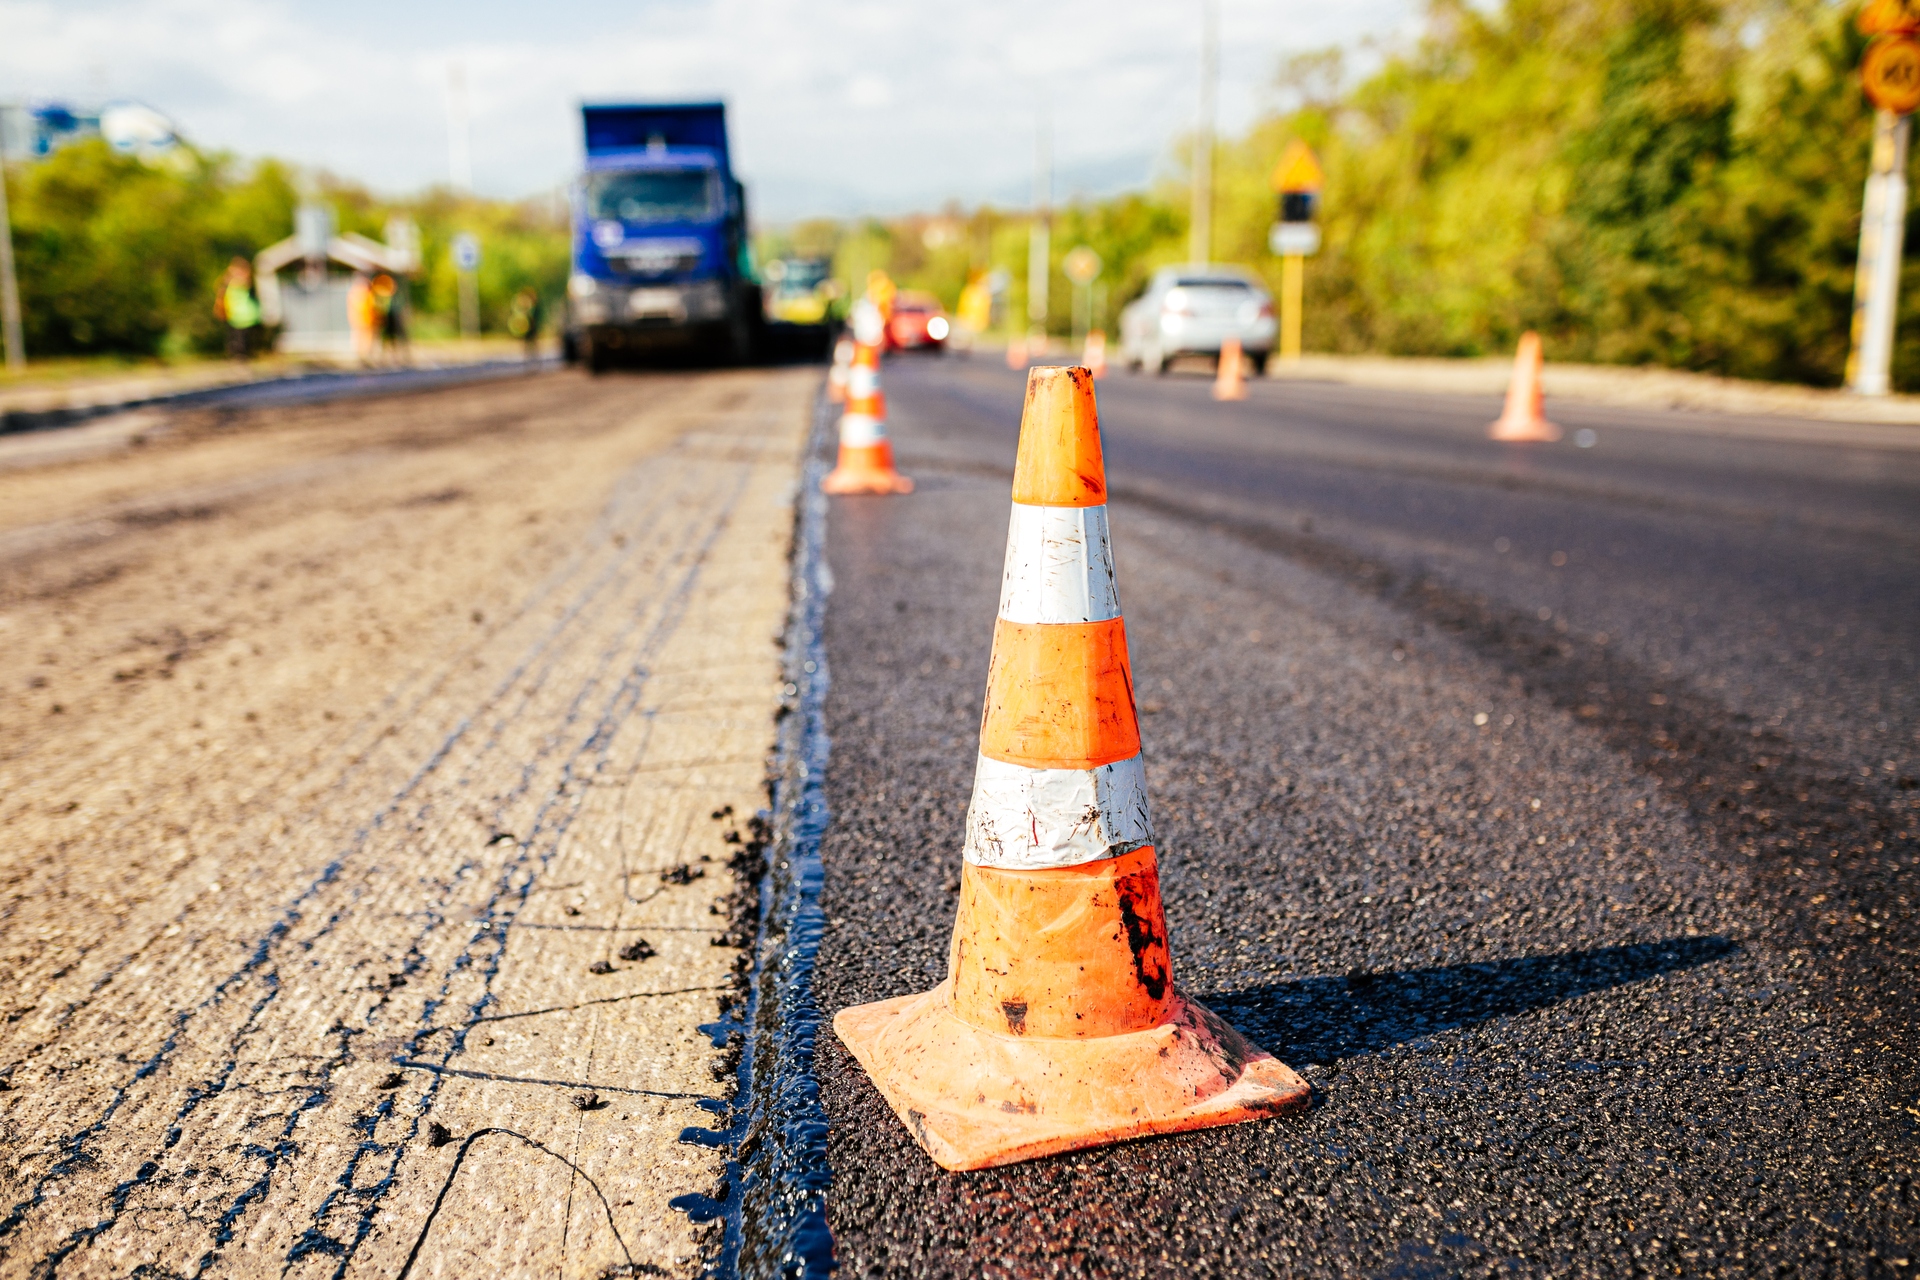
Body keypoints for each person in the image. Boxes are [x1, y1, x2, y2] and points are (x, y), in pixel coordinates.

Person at [214, 258, 261, 361]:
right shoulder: (228, 283)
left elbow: (244, 283)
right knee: (236, 338)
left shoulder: (243, 282)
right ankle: (238, 356)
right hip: (234, 315)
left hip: (246, 315)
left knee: (243, 338)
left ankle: (242, 356)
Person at [507, 287, 543, 360]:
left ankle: (535, 359)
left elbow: (538, 318)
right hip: (527, 329)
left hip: (533, 329)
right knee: (527, 345)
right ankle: (528, 359)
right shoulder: (525, 308)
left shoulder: (536, 307)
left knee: (534, 345)